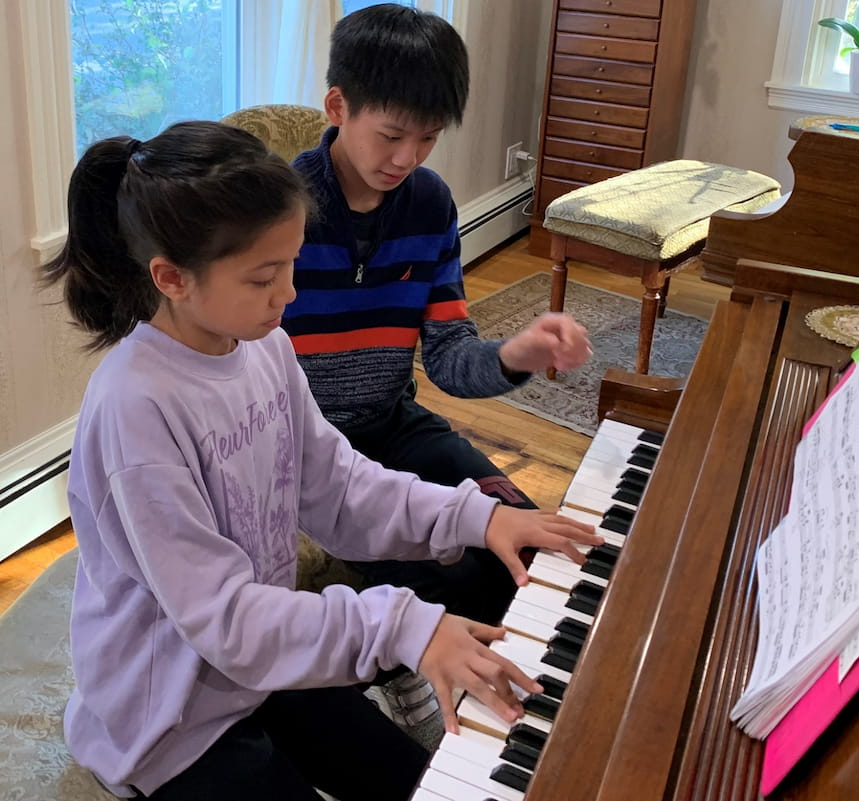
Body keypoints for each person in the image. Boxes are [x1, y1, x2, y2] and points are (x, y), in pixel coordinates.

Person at [42, 120, 599, 801]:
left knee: (417, 782)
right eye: (263, 277)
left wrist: (475, 517)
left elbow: (337, 486)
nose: (289, 295)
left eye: (292, 266)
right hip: (170, 715)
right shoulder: (136, 407)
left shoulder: (262, 346)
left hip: (256, 667)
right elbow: (225, 619)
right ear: (171, 278)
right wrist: (401, 624)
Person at [286, 4, 593, 627]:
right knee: (457, 579)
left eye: (428, 138)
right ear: (338, 107)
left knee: (540, 548)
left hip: (395, 424)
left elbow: (450, 357)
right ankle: (416, 678)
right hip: (305, 451)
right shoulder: (280, 210)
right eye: (392, 135)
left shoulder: (429, 204)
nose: (408, 158)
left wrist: (515, 355)